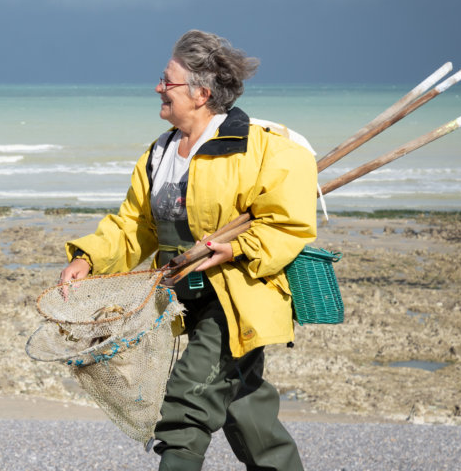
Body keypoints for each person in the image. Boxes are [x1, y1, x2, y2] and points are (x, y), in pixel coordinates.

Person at [57, 29, 317, 471]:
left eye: (167, 81)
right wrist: (88, 258)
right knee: (245, 412)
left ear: (201, 92)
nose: (158, 88)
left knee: (183, 408)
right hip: (186, 299)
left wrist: (235, 249)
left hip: (241, 298)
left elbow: (288, 223)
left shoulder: (262, 147)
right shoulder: (159, 153)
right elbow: (135, 226)